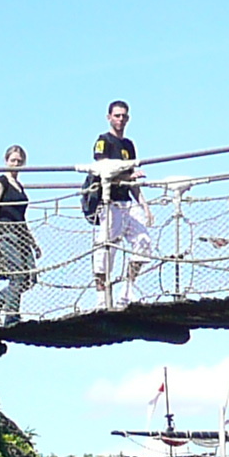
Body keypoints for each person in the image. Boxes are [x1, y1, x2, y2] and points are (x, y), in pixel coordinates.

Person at [88, 100, 151, 306]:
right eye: (117, 116)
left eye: (124, 116)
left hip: (127, 202)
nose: (120, 119)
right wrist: (127, 174)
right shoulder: (103, 141)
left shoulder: (128, 145)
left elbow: (132, 180)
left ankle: (127, 289)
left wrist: (144, 205)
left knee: (143, 242)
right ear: (109, 117)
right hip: (110, 202)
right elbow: (102, 169)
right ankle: (102, 299)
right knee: (106, 251)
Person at [0, 144, 37, 322]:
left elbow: (21, 216)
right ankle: (11, 316)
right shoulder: (2, 181)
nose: (16, 164)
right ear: (6, 161)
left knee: (30, 278)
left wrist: (33, 241)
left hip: (21, 233)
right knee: (18, 275)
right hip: (7, 232)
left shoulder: (19, 186)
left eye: (19, 161)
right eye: (13, 160)